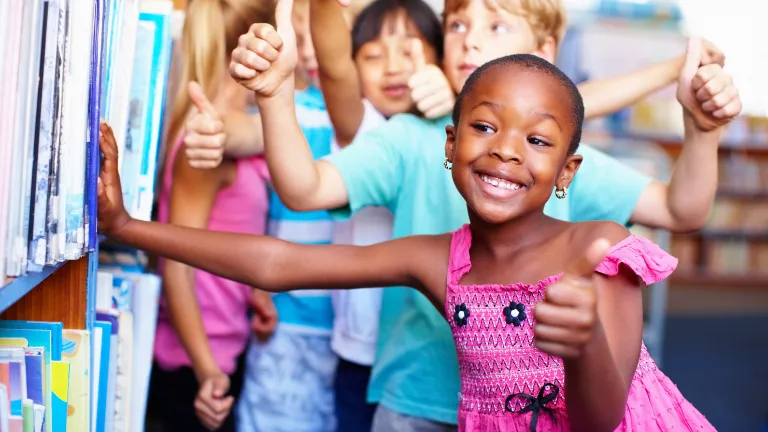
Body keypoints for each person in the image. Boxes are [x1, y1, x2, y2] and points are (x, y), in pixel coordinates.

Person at [96, 48, 719, 431]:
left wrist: (582, 348)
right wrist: (127, 227)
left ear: (568, 171)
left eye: (537, 140)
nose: (504, 150)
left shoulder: (601, 249)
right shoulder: (438, 260)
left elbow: (601, 423)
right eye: (483, 126)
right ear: (450, 146)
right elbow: (278, 264)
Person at [227, 0, 741, 430]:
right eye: (456, 24)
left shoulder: (551, 154)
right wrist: (275, 96)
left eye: (495, 26)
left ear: (545, 55)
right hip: (414, 401)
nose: (470, 41)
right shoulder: (409, 138)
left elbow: (682, 207)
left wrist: (701, 132)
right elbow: (303, 189)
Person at [309, 0, 446, 430]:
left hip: (429, 357)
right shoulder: (362, 126)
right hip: (362, 352)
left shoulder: (455, 128)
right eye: (371, 55)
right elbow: (331, 64)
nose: (392, 69)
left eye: (410, 51)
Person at [145, 0, 276, 431]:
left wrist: (251, 289)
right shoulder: (206, 140)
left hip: (223, 345)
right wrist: (207, 373)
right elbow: (176, 265)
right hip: (195, 365)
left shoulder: (232, 129)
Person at [234, 1, 339, 431]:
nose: (310, 48)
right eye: (299, 30)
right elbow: (246, 130)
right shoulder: (292, 108)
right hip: (286, 319)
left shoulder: (379, 119)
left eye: (319, 31)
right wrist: (215, 132)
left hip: (353, 329)